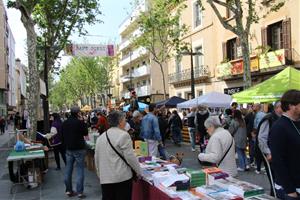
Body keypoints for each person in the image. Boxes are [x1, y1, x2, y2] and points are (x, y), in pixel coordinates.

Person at [94, 111, 142, 200]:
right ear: (120, 121)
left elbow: (96, 159)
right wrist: (139, 171)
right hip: (121, 178)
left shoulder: (101, 137)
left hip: (106, 179)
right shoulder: (123, 135)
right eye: (124, 120)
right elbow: (130, 157)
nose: (125, 122)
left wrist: (100, 175)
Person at [270, 90, 300, 200]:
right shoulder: (279, 127)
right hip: (291, 189)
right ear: (292, 106)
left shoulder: (297, 123)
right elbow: (278, 161)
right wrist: (290, 190)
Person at [256, 101, 283, 197]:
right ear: (276, 108)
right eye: (281, 107)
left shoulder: (282, 118)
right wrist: (268, 152)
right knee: (275, 181)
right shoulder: (269, 119)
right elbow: (261, 138)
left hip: (281, 155)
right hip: (271, 155)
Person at [61, 106, 88, 198]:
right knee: (80, 170)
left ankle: (69, 190)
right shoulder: (79, 122)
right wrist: (83, 121)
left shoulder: (64, 123)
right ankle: (79, 192)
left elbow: (62, 136)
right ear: (78, 113)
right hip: (79, 149)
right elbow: (85, 133)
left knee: (68, 170)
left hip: (69, 149)